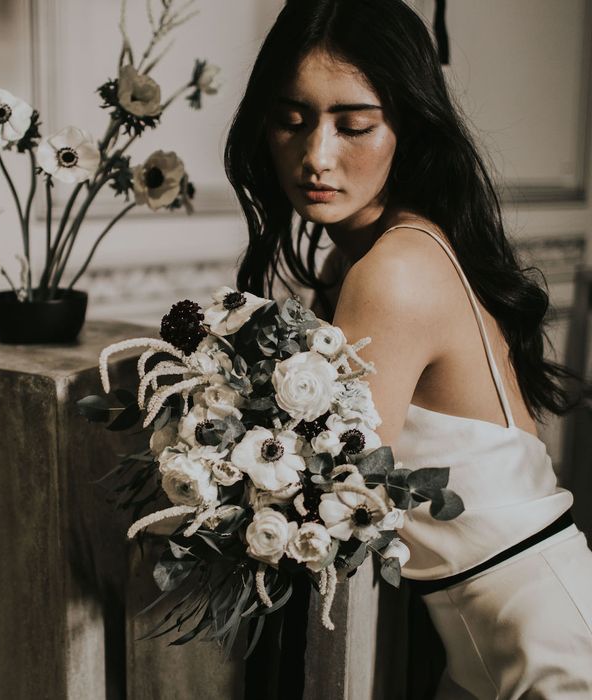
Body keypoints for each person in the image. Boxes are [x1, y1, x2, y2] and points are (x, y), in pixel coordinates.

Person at [224, 0, 592, 697]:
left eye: (354, 124)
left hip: (548, 640)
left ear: (407, 129)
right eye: (291, 119)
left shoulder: (392, 270)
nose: (316, 156)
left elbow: (330, 500)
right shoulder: (373, 257)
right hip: (483, 643)